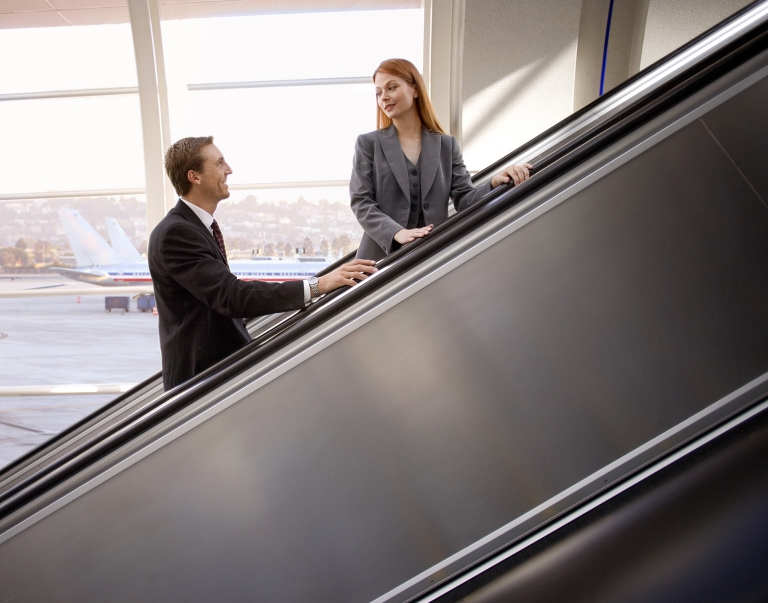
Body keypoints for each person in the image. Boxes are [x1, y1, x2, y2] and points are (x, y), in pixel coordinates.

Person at [149, 136, 378, 390]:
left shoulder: (196, 227)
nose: (229, 170)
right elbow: (231, 296)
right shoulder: (176, 233)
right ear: (195, 177)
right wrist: (318, 285)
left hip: (218, 371)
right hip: (201, 381)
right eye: (219, 163)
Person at [350, 58, 533, 261]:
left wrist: (493, 183)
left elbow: (465, 199)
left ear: (415, 89)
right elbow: (361, 202)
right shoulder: (368, 144)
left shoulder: (446, 145)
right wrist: (396, 233)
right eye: (378, 93)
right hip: (379, 260)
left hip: (432, 257)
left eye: (391, 87)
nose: (384, 97)